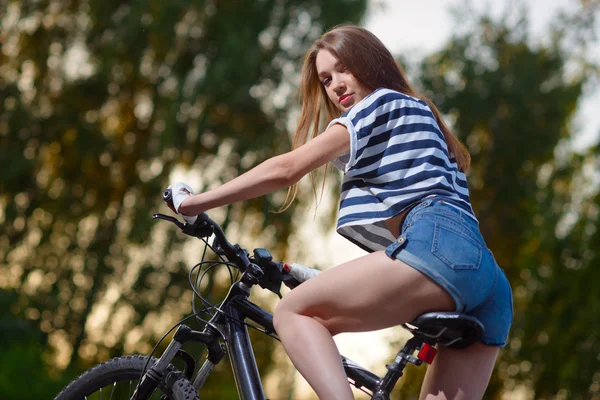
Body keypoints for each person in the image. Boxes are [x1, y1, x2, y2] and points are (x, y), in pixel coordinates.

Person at [170, 25, 513, 400]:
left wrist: (193, 203)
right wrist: (315, 278)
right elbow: (429, 251)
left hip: (436, 248)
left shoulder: (380, 103)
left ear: (371, 63)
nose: (336, 86)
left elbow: (287, 170)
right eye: (326, 79)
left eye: (344, 69)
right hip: (487, 284)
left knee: (292, 315)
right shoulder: (422, 116)